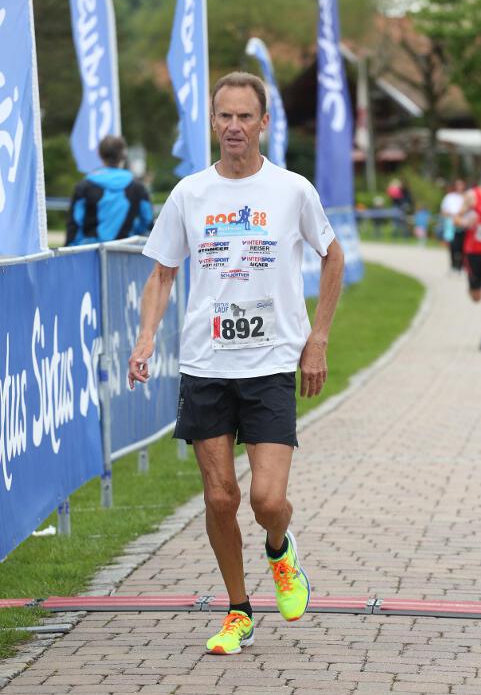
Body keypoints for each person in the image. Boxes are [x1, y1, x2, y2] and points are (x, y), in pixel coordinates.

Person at [128, 72, 344, 655]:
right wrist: (146, 338)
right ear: (213, 122)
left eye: (245, 116)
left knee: (266, 500)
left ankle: (280, 549)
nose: (234, 127)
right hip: (207, 364)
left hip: (271, 363)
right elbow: (162, 274)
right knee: (221, 498)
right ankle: (238, 609)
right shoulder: (190, 193)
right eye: (224, 116)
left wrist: (318, 338)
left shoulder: (292, 190)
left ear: (264, 122)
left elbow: (333, 256)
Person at [65, 135, 153, 246]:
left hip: (90, 250)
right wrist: (133, 231)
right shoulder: (138, 187)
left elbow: (74, 224)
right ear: (123, 156)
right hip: (125, 249)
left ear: (99, 154)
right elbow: (147, 221)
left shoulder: (84, 186)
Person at [454, 183, 481, 302]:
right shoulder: (472, 195)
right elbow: (456, 219)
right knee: (476, 296)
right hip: (474, 251)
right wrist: (465, 222)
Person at [440, 180, 466, 271]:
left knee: (462, 246)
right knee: (452, 245)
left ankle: (461, 265)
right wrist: (452, 215)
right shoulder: (449, 197)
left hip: (463, 224)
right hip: (451, 224)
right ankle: (453, 264)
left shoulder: (466, 197)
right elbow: (444, 211)